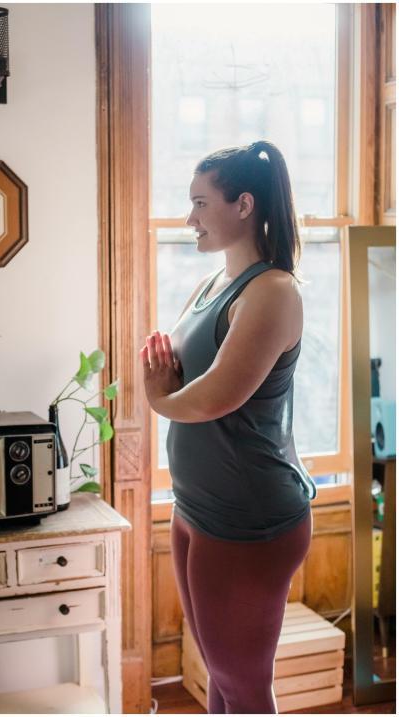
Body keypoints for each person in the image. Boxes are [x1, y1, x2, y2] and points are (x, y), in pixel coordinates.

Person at [140, 140, 317, 714]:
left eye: (199, 203)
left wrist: (158, 398)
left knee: (243, 691)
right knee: (220, 679)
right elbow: (184, 379)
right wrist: (166, 386)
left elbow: (214, 398)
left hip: (248, 517)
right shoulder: (212, 286)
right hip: (196, 506)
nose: (188, 217)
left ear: (243, 205)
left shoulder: (273, 292)